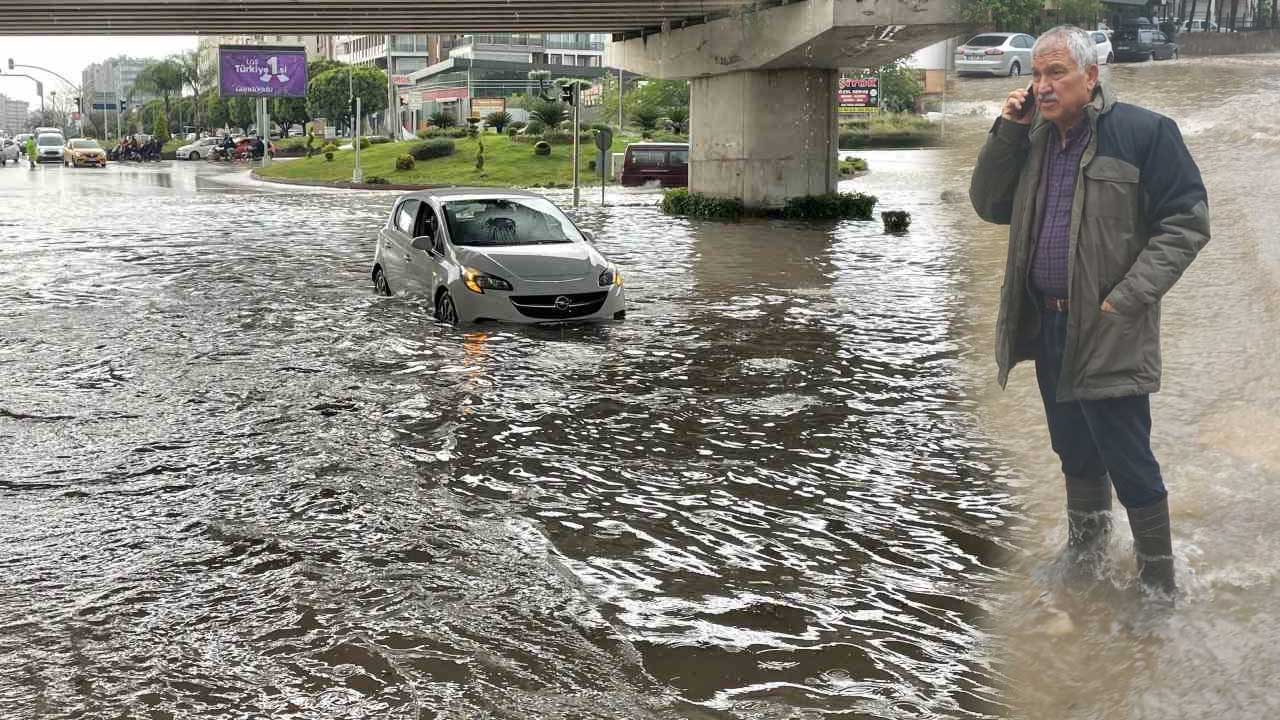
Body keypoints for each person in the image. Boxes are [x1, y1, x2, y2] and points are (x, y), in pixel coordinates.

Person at [968, 25, 1210, 600]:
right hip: (1047, 322)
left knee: (1128, 456)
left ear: (1091, 76)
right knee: (1072, 447)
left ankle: (1158, 583)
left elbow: (1187, 223)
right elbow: (989, 204)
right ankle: (1086, 554)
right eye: (1036, 74)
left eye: (1057, 74)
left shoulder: (1145, 134)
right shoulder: (1030, 140)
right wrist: (1007, 131)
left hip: (1109, 325)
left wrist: (1127, 297)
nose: (1043, 86)